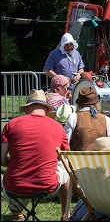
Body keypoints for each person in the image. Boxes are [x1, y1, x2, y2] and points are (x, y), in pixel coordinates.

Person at [1, 89, 70, 221]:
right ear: (46, 109)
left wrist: (16, 160)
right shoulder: (58, 127)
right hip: (48, 186)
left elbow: (2, 160)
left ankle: (16, 209)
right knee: (64, 165)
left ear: (27, 109)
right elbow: (65, 155)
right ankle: (65, 214)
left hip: (14, 186)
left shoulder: (11, 124)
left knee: (15, 177)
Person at [63, 86, 110, 151]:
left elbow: (65, 144)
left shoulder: (73, 117)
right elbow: (108, 146)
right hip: (101, 163)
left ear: (79, 104)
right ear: (97, 103)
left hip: (76, 162)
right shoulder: (107, 120)